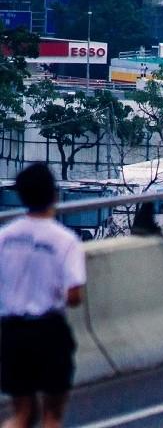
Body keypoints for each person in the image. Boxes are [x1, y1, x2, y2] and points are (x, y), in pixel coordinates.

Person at [0, 164, 86, 428]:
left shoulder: (5, 237)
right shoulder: (65, 240)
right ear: (54, 195)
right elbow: (74, 296)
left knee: (22, 413)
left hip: (12, 331)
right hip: (48, 331)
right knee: (52, 414)